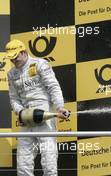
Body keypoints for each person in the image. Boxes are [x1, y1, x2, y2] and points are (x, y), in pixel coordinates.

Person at [5, 39, 70, 176]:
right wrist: (21, 112)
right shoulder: (11, 74)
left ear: (23, 52)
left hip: (44, 116)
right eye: (11, 58)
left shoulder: (40, 64)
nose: (14, 61)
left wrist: (59, 107)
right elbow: (14, 99)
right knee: (23, 162)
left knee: (49, 161)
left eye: (15, 57)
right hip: (26, 119)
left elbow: (53, 87)